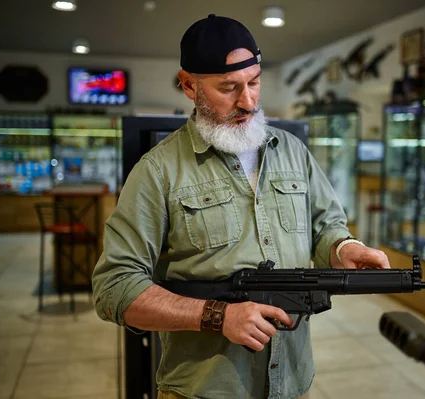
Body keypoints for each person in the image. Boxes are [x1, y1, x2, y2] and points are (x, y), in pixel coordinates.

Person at [91, 13, 390, 399]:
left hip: (292, 383)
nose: (247, 101)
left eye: (254, 82)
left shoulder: (292, 151)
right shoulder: (158, 171)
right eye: (228, 87)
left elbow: (325, 226)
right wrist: (217, 316)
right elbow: (114, 288)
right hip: (203, 390)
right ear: (188, 85)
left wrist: (343, 248)